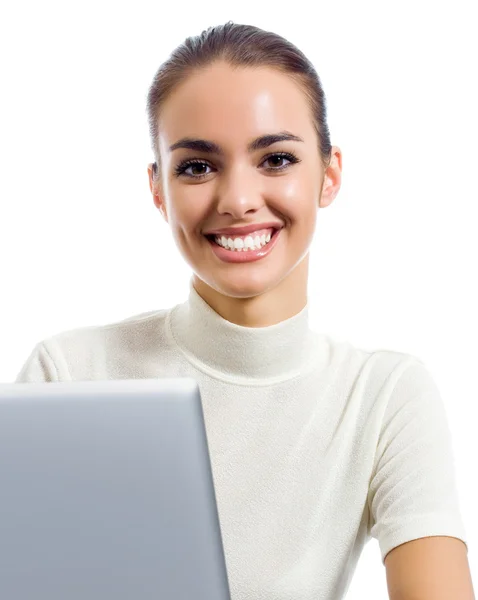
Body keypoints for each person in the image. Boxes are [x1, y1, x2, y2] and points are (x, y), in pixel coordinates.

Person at [15, 21, 472, 600]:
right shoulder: (70, 374)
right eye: (197, 167)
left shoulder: (382, 394)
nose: (237, 200)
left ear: (328, 175)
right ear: (158, 189)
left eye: (276, 159)